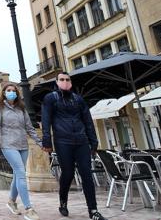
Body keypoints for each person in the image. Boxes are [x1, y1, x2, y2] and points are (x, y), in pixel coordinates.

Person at [42, 72, 107, 220]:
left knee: (87, 174)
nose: (65, 82)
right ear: (57, 82)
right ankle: (63, 202)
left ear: (71, 82)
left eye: (67, 79)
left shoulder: (79, 99)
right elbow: (46, 120)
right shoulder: (50, 98)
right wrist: (47, 140)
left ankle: (93, 210)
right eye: (62, 80)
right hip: (62, 141)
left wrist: (94, 141)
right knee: (68, 173)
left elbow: (88, 121)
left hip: (81, 141)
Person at [0, 83, 41, 220]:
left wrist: (39, 141)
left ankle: (11, 202)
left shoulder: (21, 108)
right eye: (8, 90)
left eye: (14, 90)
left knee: (16, 175)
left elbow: (29, 128)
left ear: (17, 93)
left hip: (23, 145)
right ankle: (29, 209)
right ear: (4, 93)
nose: (11, 92)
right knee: (20, 173)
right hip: (8, 144)